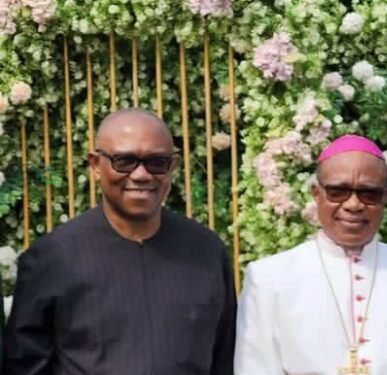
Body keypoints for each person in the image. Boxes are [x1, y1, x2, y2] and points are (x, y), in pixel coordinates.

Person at [3, 108, 236, 375]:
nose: (141, 175)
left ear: (172, 166)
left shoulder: (206, 253)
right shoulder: (51, 259)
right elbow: (24, 367)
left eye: (156, 162)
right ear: (95, 165)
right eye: (124, 161)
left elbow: (225, 358)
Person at [234, 134, 387, 375]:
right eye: (338, 191)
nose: (353, 204)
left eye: (369, 194)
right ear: (316, 194)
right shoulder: (269, 278)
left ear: (384, 197)